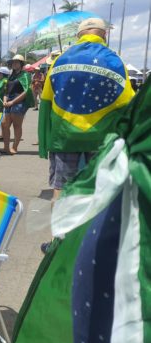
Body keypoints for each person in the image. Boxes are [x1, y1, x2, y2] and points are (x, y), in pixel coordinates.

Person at [37, 18, 135, 253]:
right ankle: (95, 245)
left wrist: (45, 141)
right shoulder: (115, 60)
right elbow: (129, 102)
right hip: (102, 139)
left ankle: (58, 244)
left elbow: (46, 101)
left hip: (64, 136)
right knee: (101, 190)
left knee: (61, 189)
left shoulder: (61, 59)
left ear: (79, 35)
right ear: (104, 35)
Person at [2, 54, 35, 155]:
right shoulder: (11, 76)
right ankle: (6, 147)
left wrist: (13, 102)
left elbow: (26, 91)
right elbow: (7, 91)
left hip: (19, 101)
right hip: (9, 101)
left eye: (16, 62)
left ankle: (14, 147)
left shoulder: (25, 75)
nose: (14, 64)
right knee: (4, 124)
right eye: (13, 62)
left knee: (17, 125)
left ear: (21, 64)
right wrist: (5, 100)